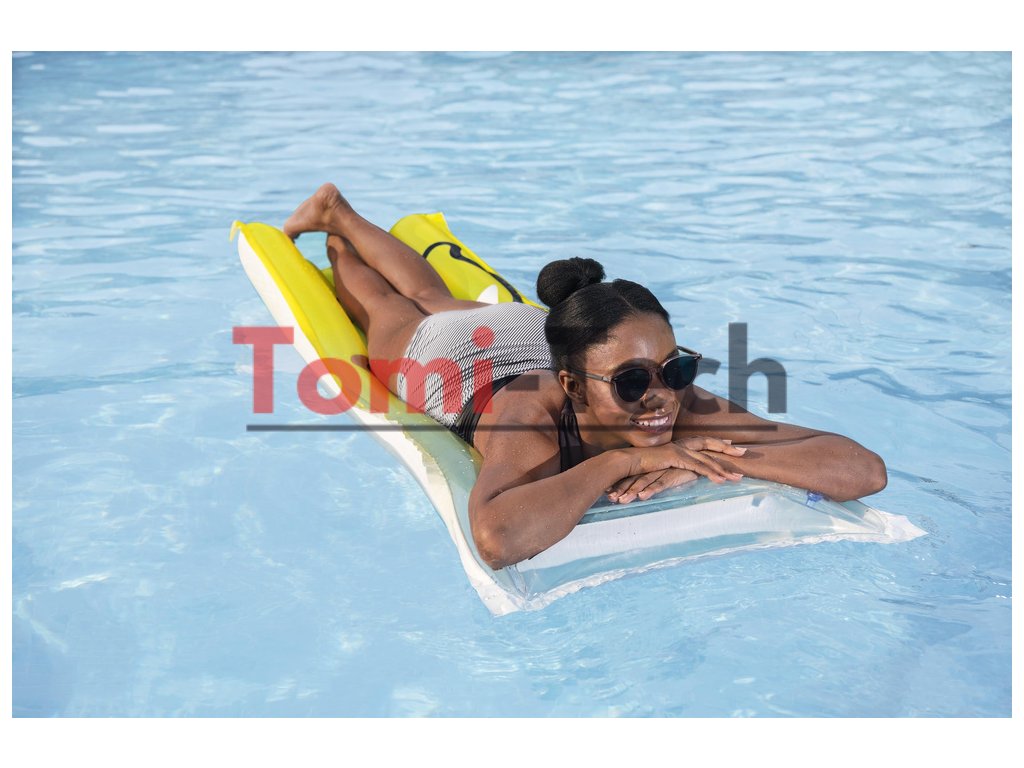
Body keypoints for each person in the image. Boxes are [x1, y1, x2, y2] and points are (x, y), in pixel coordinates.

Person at [284, 183, 888, 570]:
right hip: (451, 359)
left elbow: (863, 470)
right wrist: (626, 460)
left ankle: (341, 215)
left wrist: (705, 458)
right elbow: (496, 538)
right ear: (573, 387)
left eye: (676, 368)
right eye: (631, 382)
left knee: (433, 295)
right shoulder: (528, 417)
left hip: (527, 331)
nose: (660, 398)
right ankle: (337, 236)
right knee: (390, 308)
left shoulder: (673, 398)